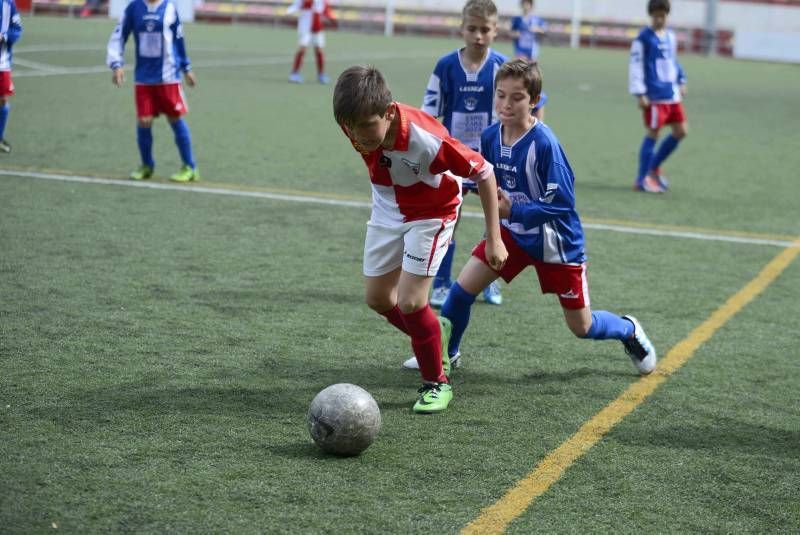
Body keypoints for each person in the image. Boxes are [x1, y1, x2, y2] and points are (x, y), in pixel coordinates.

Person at [440, 59, 657, 376]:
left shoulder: (544, 144)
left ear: (535, 101)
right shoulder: (489, 137)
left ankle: (628, 330)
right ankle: (446, 355)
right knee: (461, 291)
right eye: (501, 95)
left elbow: (562, 203)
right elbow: (484, 180)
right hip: (512, 235)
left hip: (557, 243)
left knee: (582, 326)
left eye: (517, 97)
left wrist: (513, 210)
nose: (506, 104)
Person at [333, 65, 508, 413]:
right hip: (387, 207)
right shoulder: (353, 121)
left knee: (412, 302)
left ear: (387, 112)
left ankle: (436, 383)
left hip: (433, 212)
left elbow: (485, 173)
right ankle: (433, 330)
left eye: (367, 126)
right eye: (351, 128)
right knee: (379, 298)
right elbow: (366, 138)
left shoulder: (425, 137)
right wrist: (360, 129)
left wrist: (494, 238)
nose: (359, 137)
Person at [420, 0, 507, 311]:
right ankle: (442, 283)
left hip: (490, 160)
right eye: (472, 29)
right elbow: (429, 111)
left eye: (485, 30)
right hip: (453, 157)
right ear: (462, 29)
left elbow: (520, 110)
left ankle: (489, 280)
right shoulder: (446, 65)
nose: (478, 36)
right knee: (449, 221)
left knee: (493, 223)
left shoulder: (502, 67)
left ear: (496, 30)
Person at [107, 0, 199, 182]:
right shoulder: (134, 8)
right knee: (144, 120)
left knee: (174, 118)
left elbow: (179, 41)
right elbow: (119, 35)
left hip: (168, 76)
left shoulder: (170, 9)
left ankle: (190, 167)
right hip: (143, 77)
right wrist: (116, 64)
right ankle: (147, 165)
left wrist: (186, 68)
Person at [629, 0, 687, 193]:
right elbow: (635, 66)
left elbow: (673, 61)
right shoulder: (643, 38)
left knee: (681, 131)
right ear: (651, 15)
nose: (660, 19)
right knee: (654, 134)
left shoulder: (670, 36)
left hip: (672, 94)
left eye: (663, 15)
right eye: (656, 16)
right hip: (654, 96)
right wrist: (640, 93)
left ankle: (652, 168)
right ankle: (641, 179)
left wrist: (681, 79)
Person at [509, 0, 548, 120]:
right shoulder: (517, 19)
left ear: (531, 6)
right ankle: (520, 109)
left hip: (532, 54)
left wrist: (537, 30)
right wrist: (516, 34)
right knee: (520, 79)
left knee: (533, 80)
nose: (526, 6)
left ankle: (536, 111)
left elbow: (544, 31)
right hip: (520, 53)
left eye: (528, 3)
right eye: (524, 3)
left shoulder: (537, 20)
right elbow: (511, 33)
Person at [287, 0, 336, 84]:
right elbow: (295, 6)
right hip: (305, 27)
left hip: (317, 28)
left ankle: (321, 74)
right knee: (302, 49)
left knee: (319, 50)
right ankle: (294, 73)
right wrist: (290, 11)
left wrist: (332, 19)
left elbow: (326, 10)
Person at [0, 0, 22, 154]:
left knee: (3, 99)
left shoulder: (8, 4)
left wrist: (3, 37)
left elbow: (17, 29)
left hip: (2, 61)